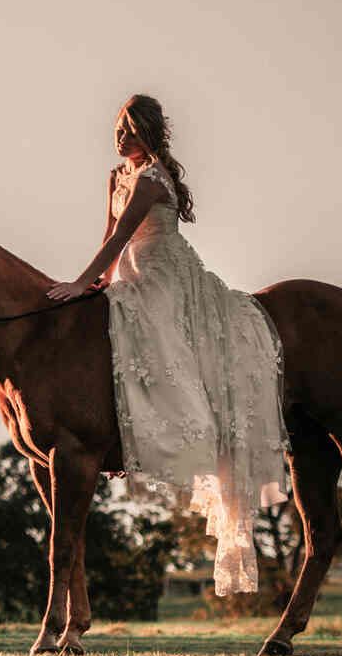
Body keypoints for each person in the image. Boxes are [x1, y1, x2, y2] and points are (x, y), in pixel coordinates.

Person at [45, 94, 291, 595]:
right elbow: (107, 234)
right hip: (128, 274)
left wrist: (79, 282)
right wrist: (98, 284)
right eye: (117, 128)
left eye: (129, 129)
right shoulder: (117, 176)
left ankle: (170, 434)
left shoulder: (153, 178)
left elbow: (122, 237)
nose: (120, 136)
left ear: (149, 132)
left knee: (159, 345)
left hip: (164, 276)